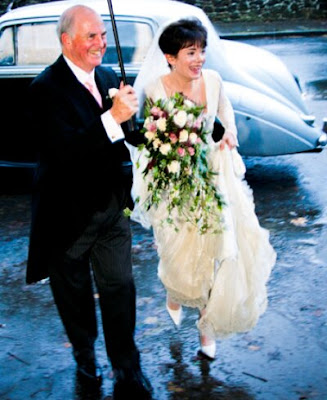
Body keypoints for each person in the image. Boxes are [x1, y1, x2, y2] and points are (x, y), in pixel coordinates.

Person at [129, 17, 276, 360]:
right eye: (190, 52)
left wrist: (229, 133)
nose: (199, 59)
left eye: (202, 51)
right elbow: (151, 140)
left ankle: (206, 327)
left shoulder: (213, 80)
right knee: (178, 251)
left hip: (213, 176)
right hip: (176, 180)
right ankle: (175, 290)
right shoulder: (155, 89)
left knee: (219, 250)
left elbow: (225, 113)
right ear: (170, 57)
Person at [25, 5, 152, 399]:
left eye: (102, 34)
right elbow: (64, 153)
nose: (101, 43)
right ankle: (85, 357)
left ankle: (127, 368)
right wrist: (112, 118)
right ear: (67, 41)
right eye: (91, 36)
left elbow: (126, 135)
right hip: (67, 216)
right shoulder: (44, 90)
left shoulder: (109, 75)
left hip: (111, 208)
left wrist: (147, 127)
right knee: (74, 294)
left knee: (120, 287)